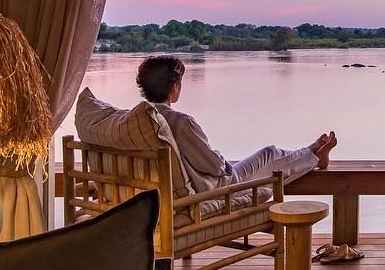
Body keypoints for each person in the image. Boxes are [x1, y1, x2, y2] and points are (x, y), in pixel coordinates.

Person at [135, 54, 337, 193]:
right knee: (270, 154)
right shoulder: (179, 123)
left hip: (168, 193)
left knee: (266, 159)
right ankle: (315, 156)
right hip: (211, 190)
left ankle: (312, 153)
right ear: (174, 86)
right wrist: (222, 162)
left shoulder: (137, 121)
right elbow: (214, 166)